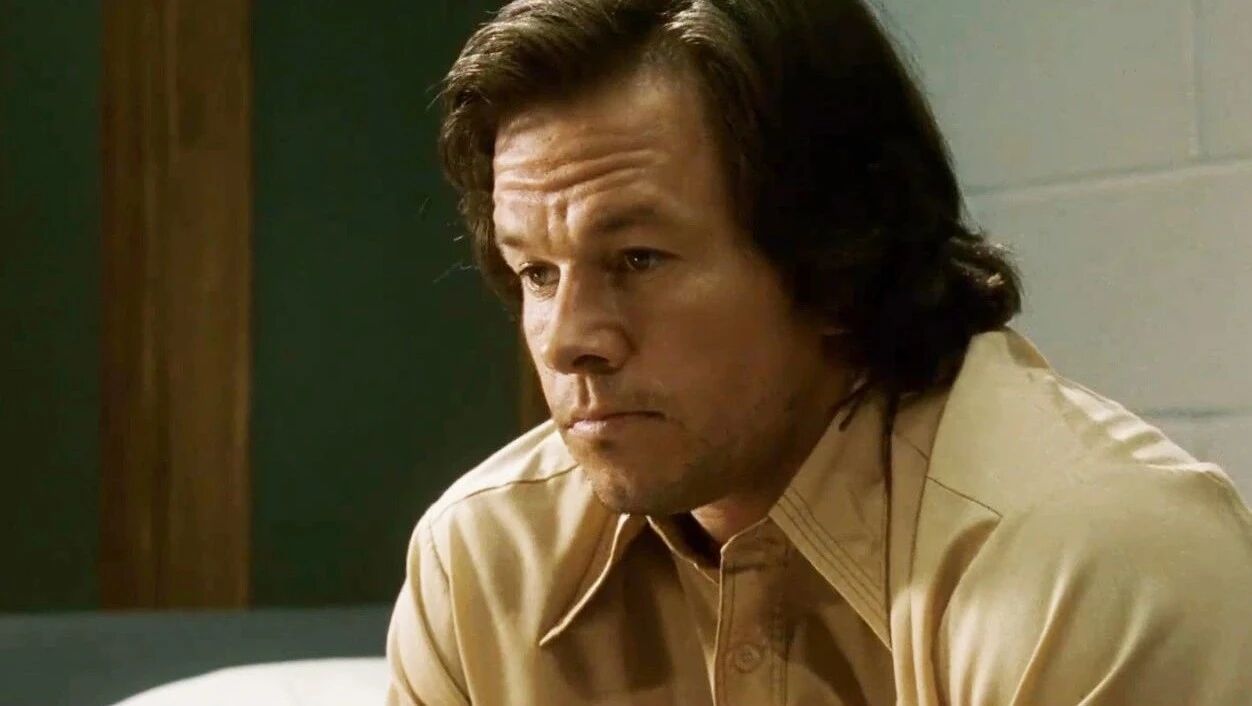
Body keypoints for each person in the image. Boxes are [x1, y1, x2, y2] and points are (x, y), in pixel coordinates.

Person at [385, 1, 1252, 704]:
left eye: (638, 259)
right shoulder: (483, 562)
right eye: (536, 272)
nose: (570, 339)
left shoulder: (1099, 563)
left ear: (838, 257)